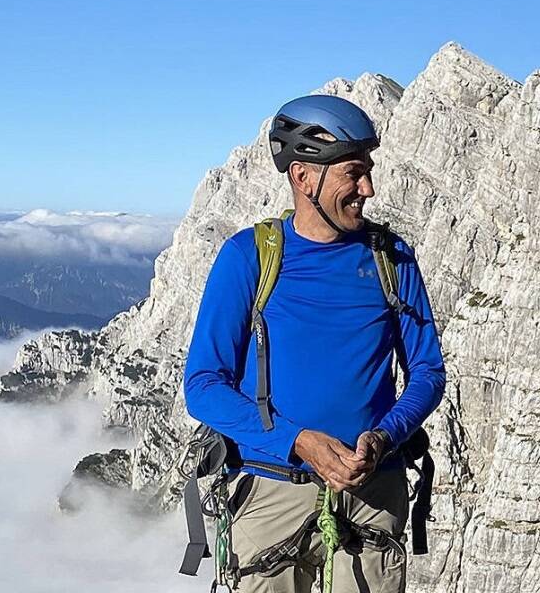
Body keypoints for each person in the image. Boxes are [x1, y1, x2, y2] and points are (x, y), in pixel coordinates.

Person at [184, 94, 447, 593]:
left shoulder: (393, 258)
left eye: (368, 170)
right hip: (271, 488)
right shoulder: (248, 258)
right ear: (304, 177)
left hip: (373, 488)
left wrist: (385, 436)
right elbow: (202, 385)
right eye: (354, 172)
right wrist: (299, 441)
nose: (367, 188)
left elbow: (428, 371)